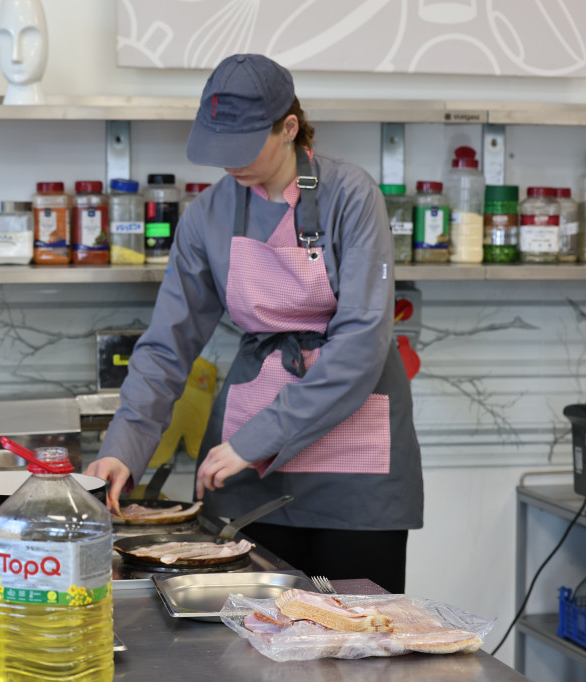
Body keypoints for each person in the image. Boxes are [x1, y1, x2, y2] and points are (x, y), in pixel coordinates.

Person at [87, 54, 423, 594]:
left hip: (355, 467)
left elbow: (361, 343)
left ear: (289, 128)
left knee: (359, 645)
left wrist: (257, 438)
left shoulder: (352, 196)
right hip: (247, 471)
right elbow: (167, 349)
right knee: (251, 645)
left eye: (242, 147)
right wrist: (121, 448)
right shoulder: (205, 217)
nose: (227, 164)